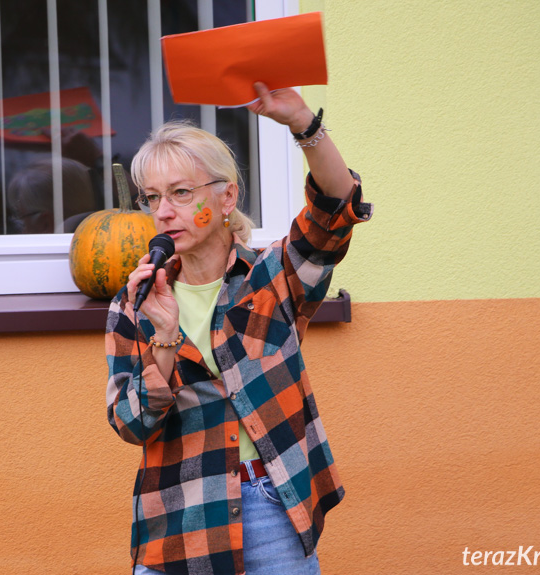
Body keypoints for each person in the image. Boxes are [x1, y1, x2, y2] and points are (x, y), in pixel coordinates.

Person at [105, 82, 372, 575]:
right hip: (180, 521)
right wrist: (164, 338)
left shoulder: (271, 279)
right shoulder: (136, 302)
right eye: (152, 198)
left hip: (274, 509)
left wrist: (302, 124)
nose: (164, 212)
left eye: (181, 193)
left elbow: (336, 211)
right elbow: (130, 424)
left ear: (226, 196)